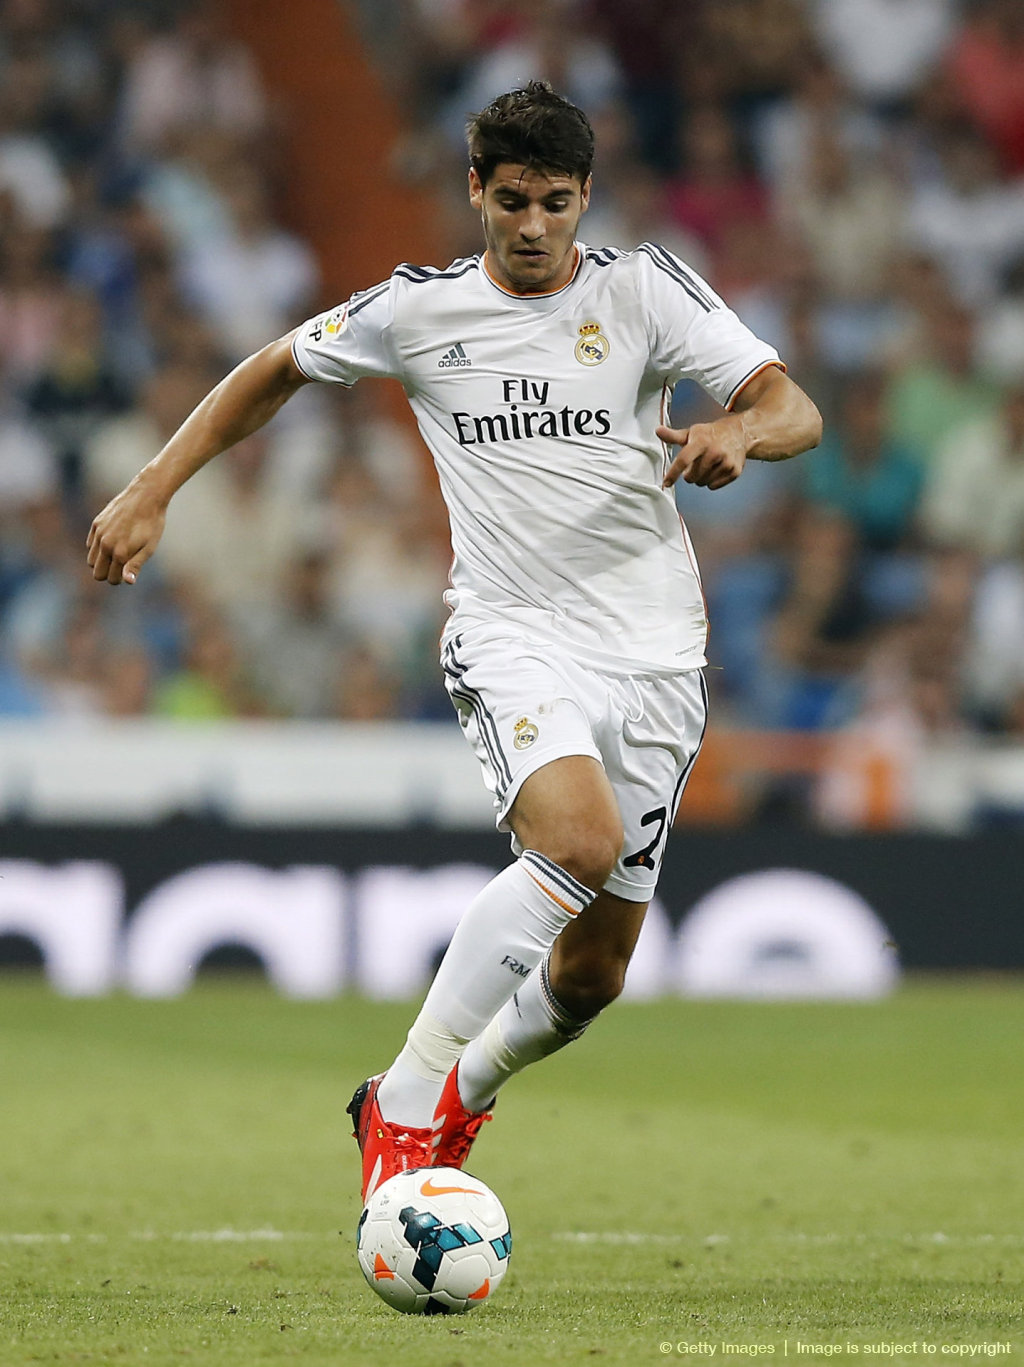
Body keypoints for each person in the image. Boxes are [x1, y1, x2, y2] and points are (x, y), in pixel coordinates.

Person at [86, 82, 822, 1201]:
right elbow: (273, 368)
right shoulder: (417, 311)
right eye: (513, 200)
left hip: (657, 653)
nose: (533, 226)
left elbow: (792, 407)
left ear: (585, 199)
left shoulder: (643, 290)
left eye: (556, 203)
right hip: (510, 629)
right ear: (476, 190)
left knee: (593, 974)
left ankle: (463, 1090)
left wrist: (741, 430)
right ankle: (407, 1096)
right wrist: (153, 487)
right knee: (575, 842)